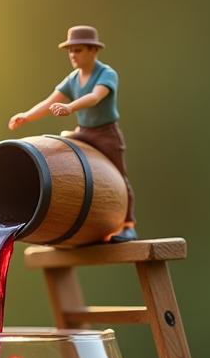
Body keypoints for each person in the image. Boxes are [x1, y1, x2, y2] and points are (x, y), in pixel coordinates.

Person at [8, 24, 137, 241]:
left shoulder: (106, 74)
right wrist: (27, 116)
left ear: (93, 51)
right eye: (70, 50)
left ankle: (128, 225)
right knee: (64, 143)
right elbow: (50, 101)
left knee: (120, 178)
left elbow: (95, 97)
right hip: (83, 132)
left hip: (105, 134)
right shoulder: (73, 78)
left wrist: (70, 107)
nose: (72, 55)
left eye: (78, 50)